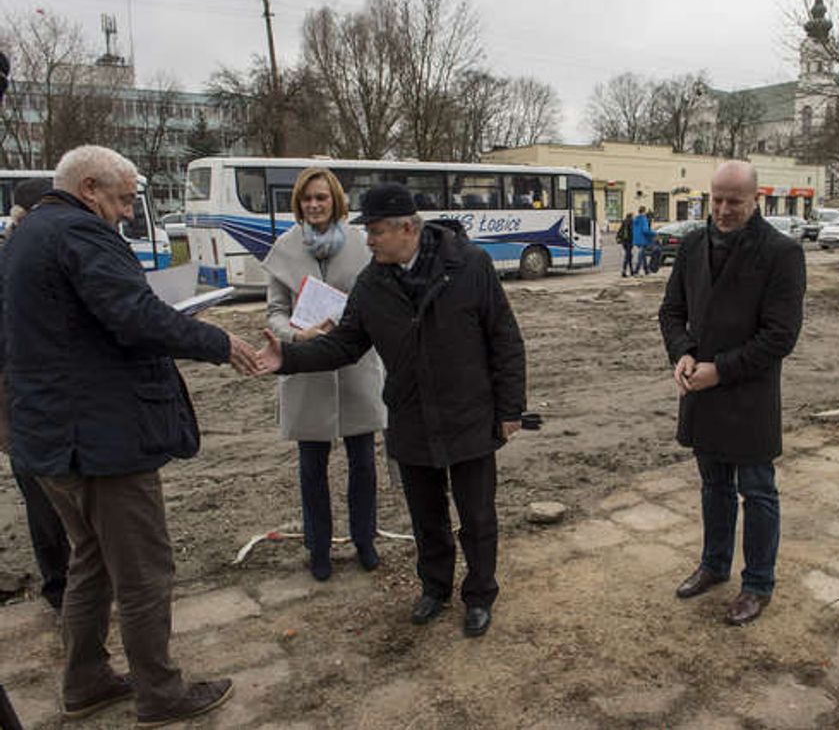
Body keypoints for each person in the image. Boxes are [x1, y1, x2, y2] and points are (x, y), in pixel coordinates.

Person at [1, 145, 259, 724]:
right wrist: (220, 342)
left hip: (49, 438)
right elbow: (134, 314)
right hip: (101, 440)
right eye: (121, 201)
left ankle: (85, 679)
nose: (124, 214)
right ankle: (161, 693)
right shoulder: (81, 234)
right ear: (89, 188)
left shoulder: (26, 236)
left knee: (91, 560)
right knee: (144, 569)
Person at [256, 183, 526, 638]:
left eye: (377, 231)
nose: (369, 240)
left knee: (477, 516)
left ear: (407, 228)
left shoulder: (469, 265)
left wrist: (511, 407)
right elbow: (346, 344)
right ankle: (435, 588)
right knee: (427, 516)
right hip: (411, 417)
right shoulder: (373, 282)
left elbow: (504, 338)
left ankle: (480, 595)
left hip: (470, 415)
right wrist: (290, 357)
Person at [658, 160, 806, 626]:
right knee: (713, 487)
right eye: (716, 199)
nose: (722, 210)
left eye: (733, 201)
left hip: (748, 396)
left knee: (758, 493)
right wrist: (681, 353)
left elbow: (780, 336)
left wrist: (718, 371)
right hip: (701, 393)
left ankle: (758, 583)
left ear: (755, 199)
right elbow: (671, 312)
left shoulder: (781, 253)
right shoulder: (693, 245)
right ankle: (714, 565)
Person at [263, 168, 387, 581]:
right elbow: (275, 311)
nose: (314, 205)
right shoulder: (283, 247)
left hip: (356, 364)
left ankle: (365, 539)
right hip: (306, 367)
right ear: (298, 204)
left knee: (363, 462)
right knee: (311, 466)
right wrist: (296, 335)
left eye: (321, 198)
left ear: (335, 200)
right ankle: (318, 548)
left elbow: (380, 295)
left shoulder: (360, 243)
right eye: (306, 199)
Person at [0, 177, 70, 611]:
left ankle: (68, 582)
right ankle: (60, 585)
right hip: (21, 397)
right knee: (44, 496)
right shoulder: (14, 262)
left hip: (38, 393)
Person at [631, 206, 655, 276]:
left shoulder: (636, 219)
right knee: (641, 256)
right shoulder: (644, 219)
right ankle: (636, 271)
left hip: (636, 239)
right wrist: (654, 233)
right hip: (643, 239)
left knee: (643, 254)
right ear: (644, 211)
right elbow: (645, 230)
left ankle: (646, 270)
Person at [616, 213, 634, 277]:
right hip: (629, 241)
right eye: (632, 217)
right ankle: (624, 271)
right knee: (627, 257)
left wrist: (618, 238)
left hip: (624, 242)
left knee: (629, 256)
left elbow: (619, 231)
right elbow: (632, 232)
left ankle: (632, 271)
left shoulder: (624, 222)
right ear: (631, 217)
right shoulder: (631, 222)